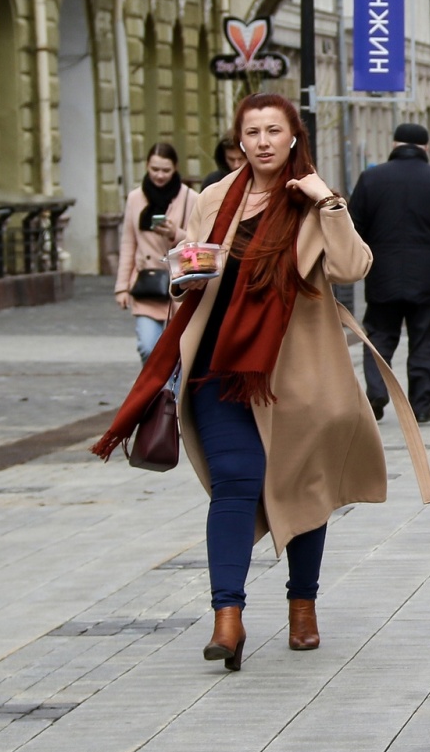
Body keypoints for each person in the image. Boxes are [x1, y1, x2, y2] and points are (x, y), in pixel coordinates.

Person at [94, 93, 386, 670]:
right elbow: (189, 267)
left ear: (293, 137)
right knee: (237, 480)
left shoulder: (310, 200)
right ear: (239, 139)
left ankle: (303, 604)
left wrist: (328, 202)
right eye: (251, 131)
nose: (262, 141)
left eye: (273, 130)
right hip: (218, 366)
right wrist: (186, 269)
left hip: (296, 373)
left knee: (302, 482)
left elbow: (354, 267)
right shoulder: (213, 198)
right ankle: (227, 615)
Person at [347, 121, 430, 424]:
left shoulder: (370, 179)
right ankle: (421, 405)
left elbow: (352, 229)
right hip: (426, 279)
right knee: (423, 341)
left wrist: (354, 268)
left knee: (379, 337)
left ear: (394, 146)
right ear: (427, 148)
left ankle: (376, 391)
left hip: (381, 277)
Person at [115, 142, 193, 361]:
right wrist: (121, 288)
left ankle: (168, 394)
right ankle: (153, 392)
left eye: (166, 170)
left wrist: (175, 233)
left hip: (178, 285)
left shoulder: (190, 198)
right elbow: (128, 243)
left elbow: (199, 240)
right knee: (148, 347)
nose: (160, 175)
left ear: (175, 168)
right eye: (154, 169)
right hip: (147, 284)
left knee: (176, 353)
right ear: (147, 167)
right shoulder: (135, 198)